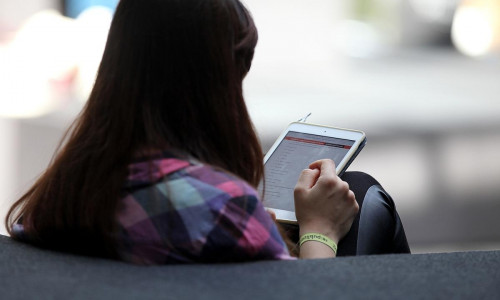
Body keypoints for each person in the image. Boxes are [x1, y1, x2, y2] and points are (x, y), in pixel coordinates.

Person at [5, 0, 409, 264]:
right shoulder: (222, 209)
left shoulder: (63, 190)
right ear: (211, 88)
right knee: (363, 192)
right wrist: (319, 231)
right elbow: (304, 294)